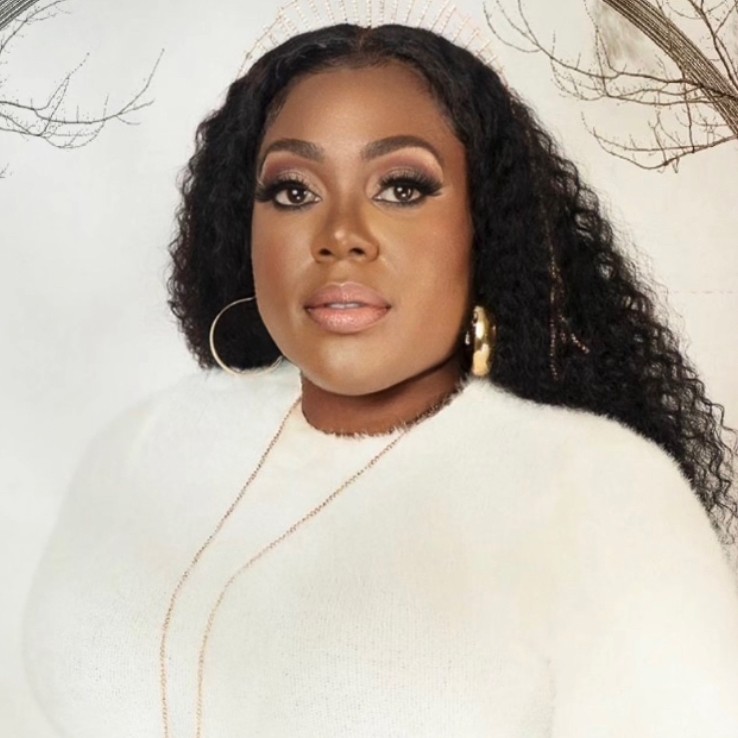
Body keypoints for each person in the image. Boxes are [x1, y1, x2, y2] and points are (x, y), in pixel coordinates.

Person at [24, 18, 738, 738]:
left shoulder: (602, 495)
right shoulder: (147, 446)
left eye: (400, 187)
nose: (341, 235)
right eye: (293, 191)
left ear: (485, 227)